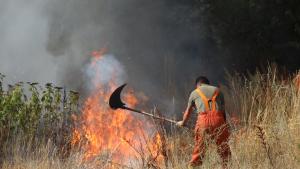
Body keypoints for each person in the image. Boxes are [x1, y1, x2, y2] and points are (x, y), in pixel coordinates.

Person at [177, 76, 231, 168]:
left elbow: (188, 112)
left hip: (203, 122)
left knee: (199, 151)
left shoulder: (195, 92)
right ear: (207, 84)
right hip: (219, 120)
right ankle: (227, 166)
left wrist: (183, 123)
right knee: (224, 150)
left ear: (198, 84)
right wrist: (224, 126)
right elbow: (223, 112)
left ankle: (194, 166)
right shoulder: (218, 91)